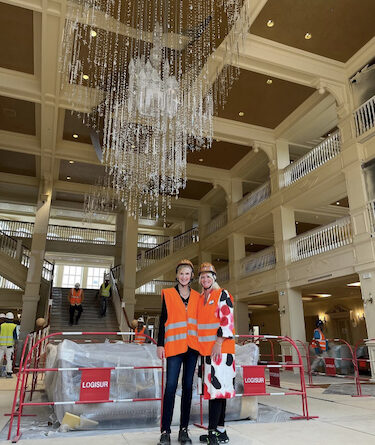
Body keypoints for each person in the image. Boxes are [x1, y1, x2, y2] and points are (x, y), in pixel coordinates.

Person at [157, 259, 200, 445]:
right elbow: (163, 320)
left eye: (187, 273)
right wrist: (160, 344)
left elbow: (202, 323)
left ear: (191, 276)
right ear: (177, 275)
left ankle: (184, 430)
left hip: (192, 348)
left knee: (189, 387)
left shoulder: (198, 296)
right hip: (174, 347)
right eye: (181, 273)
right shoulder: (167, 294)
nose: (184, 276)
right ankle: (165, 431)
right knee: (171, 387)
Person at [197, 263, 235, 445]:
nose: (205, 279)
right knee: (217, 392)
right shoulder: (201, 298)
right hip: (207, 352)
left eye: (208, 276)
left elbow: (227, 320)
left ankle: (213, 432)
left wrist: (218, 343)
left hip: (221, 350)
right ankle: (221, 431)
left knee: (216, 392)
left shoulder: (222, 294)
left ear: (214, 277)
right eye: (202, 277)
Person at [0, 312, 18, 378]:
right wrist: (16, 345)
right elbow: (15, 337)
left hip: (1, 346)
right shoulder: (14, 326)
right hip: (9, 347)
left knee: (0, 358)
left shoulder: (2, 326)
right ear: (12, 319)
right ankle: (9, 373)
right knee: (9, 360)